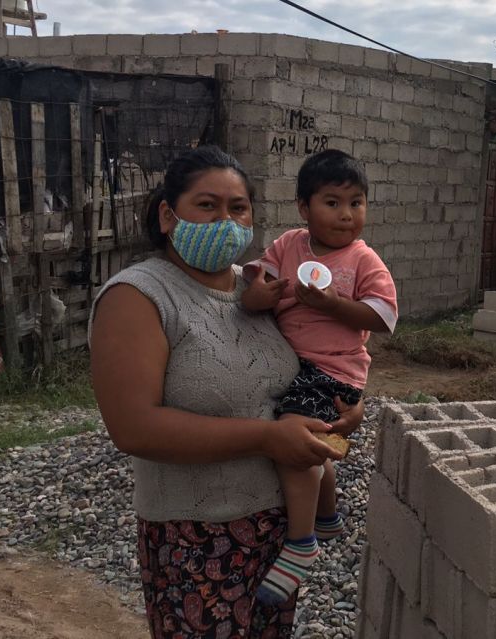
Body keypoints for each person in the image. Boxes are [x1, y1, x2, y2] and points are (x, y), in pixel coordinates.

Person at [89, 145, 362, 638]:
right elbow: (132, 427)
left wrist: (342, 409)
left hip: (276, 532)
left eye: (238, 208)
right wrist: (265, 438)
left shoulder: (259, 287)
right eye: (207, 205)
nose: (226, 220)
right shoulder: (139, 295)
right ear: (169, 215)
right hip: (194, 536)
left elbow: (311, 361)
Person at [240, 149, 397, 604]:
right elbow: (257, 284)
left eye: (357, 202)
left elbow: (384, 316)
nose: (347, 215)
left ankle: (301, 542)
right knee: (318, 450)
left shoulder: (364, 260)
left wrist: (332, 306)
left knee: (294, 445)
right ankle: (327, 515)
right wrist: (257, 298)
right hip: (292, 367)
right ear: (304, 208)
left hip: (332, 371)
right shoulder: (289, 245)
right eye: (332, 202)